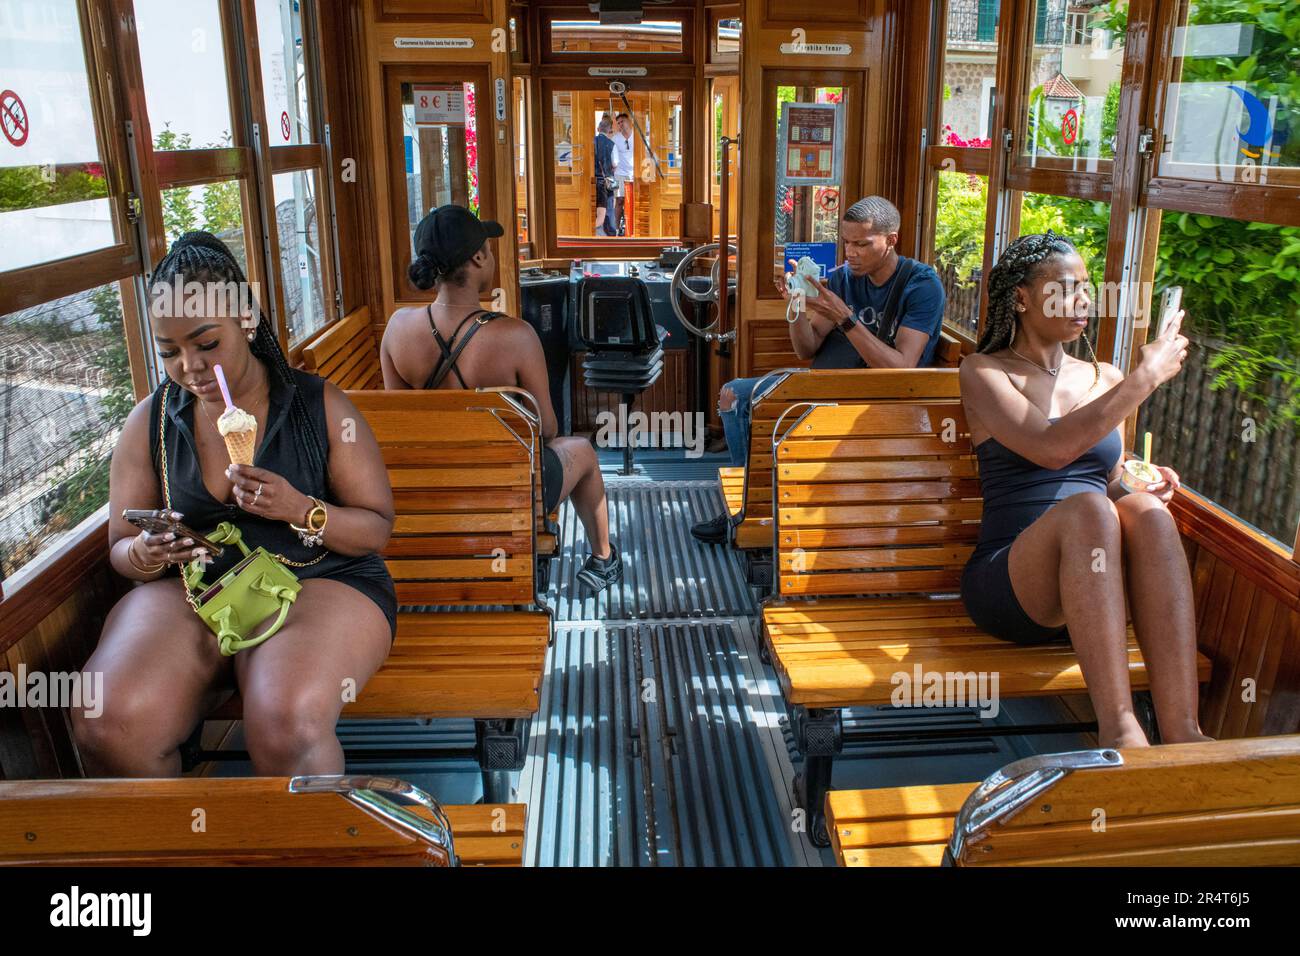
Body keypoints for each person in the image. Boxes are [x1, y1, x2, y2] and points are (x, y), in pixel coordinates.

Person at [74, 232, 398, 777]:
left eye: (206, 344)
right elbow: (119, 549)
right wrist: (149, 552)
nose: (190, 368)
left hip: (320, 578)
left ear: (246, 319)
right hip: (193, 587)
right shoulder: (149, 423)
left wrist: (299, 508)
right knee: (105, 718)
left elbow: (375, 530)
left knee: (286, 722)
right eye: (169, 352)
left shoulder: (320, 407)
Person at [959, 231, 1207, 749]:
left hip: (1093, 586)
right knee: (1089, 510)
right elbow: (1052, 450)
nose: (1083, 301)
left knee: (1146, 512)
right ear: (1022, 297)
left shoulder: (1105, 376)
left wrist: (1142, 482)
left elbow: (1109, 480)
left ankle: (1184, 730)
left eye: (1088, 288)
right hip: (1014, 582)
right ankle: (1120, 731)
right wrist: (1145, 378)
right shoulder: (984, 372)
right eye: (1065, 288)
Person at [380, 204, 622, 593]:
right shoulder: (517, 336)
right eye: (489, 249)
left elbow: (404, 422)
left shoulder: (397, 329)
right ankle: (604, 559)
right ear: (478, 257)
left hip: (432, 492)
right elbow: (546, 428)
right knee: (583, 451)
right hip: (507, 494)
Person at [691, 195, 947, 543]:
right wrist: (796, 306)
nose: (850, 253)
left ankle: (757, 512)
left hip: (882, 401)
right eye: (846, 242)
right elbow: (806, 349)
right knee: (734, 395)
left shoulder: (920, 285)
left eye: (861, 243)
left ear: (891, 240)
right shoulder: (842, 279)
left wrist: (845, 317)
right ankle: (750, 508)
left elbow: (900, 369)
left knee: (771, 412)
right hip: (828, 385)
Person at [612, 112, 637, 236]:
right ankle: (616, 229)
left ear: (629, 121)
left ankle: (633, 228)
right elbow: (613, 157)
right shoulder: (615, 138)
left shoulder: (637, 136)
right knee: (619, 200)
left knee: (634, 200)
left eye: (623, 121)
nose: (621, 124)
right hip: (620, 173)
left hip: (635, 173)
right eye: (619, 123)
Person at [593, 116, 618, 237]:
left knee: (595, 208)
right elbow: (615, 164)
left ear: (598, 129)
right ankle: (610, 233)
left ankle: (596, 232)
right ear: (610, 131)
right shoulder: (612, 144)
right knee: (609, 209)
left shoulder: (591, 142)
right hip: (608, 180)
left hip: (594, 180)